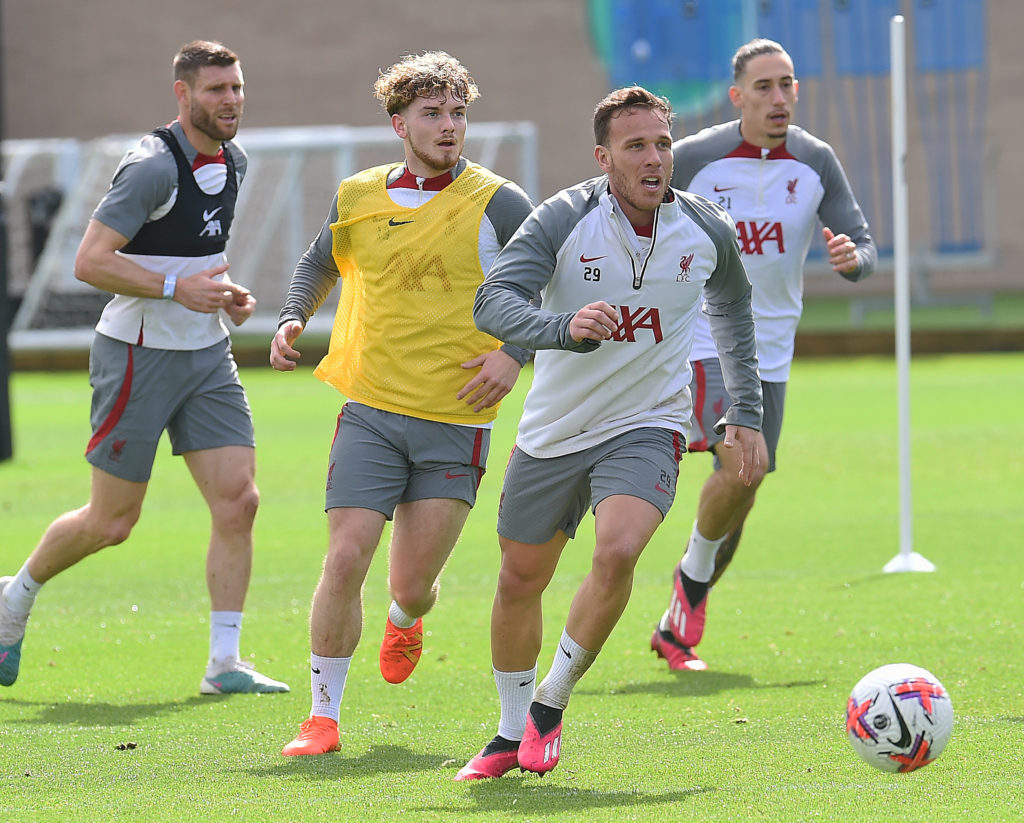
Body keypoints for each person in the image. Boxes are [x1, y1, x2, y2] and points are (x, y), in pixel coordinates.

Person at [455, 85, 763, 781]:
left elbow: (735, 309)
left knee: (619, 548)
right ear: (604, 157)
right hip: (555, 429)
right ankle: (508, 731)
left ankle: (548, 707)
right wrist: (562, 328)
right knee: (519, 579)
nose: (655, 158)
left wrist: (744, 411)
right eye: (636, 146)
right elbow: (493, 301)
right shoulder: (564, 218)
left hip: (649, 422)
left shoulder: (705, 228)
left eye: (662, 143)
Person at [0, 41, 288, 695]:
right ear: (183, 95)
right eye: (216, 90)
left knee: (239, 501)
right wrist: (172, 290)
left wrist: (227, 292)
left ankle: (224, 662)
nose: (231, 101)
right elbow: (91, 260)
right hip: (137, 353)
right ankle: (14, 597)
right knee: (112, 522)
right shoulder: (152, 167)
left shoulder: (233, 160)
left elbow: (193, 258)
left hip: (206, 353)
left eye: (237, 88)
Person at [270, 51, 534, 757]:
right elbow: (320, 259)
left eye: (457, 113)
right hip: (371, 410)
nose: (449, 126)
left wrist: (515, 354)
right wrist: (294, 314)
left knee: (413, 585)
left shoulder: (498, 201)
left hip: (456, 420)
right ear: (399, 124)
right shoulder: (358, 194)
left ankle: (405, 615)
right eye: (432, 114)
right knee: (345, 554)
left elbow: (547, 282)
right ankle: (322, 716)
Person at [650, 38, 878, 672]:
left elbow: (861, 242)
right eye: (765, 87)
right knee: (744, 464)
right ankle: (691, 588)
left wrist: (854, 261)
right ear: (737, 97)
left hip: (771, 354)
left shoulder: (815, 161)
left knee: (746, 489)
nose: (779, 98)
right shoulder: (694, 158)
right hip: (702, 340)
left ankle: (677, 627)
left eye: (788, 85)